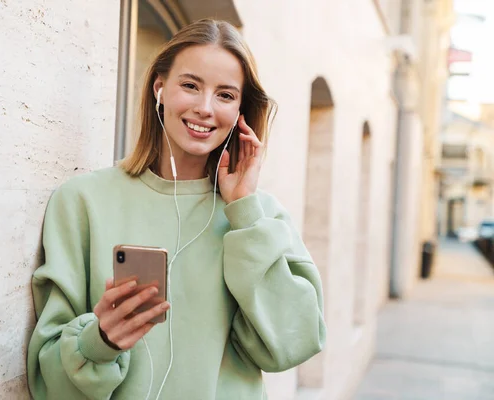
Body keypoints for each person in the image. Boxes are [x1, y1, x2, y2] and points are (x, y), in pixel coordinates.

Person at [27, 18, 326, 400]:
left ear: (241, 112)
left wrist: (244, 212)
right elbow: (46, 374)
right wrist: (100, 340)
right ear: (160, 89)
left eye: (225, 95)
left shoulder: (259, 215)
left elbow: (293, 341)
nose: (205, 108)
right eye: (190, 86)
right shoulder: (82, 201)